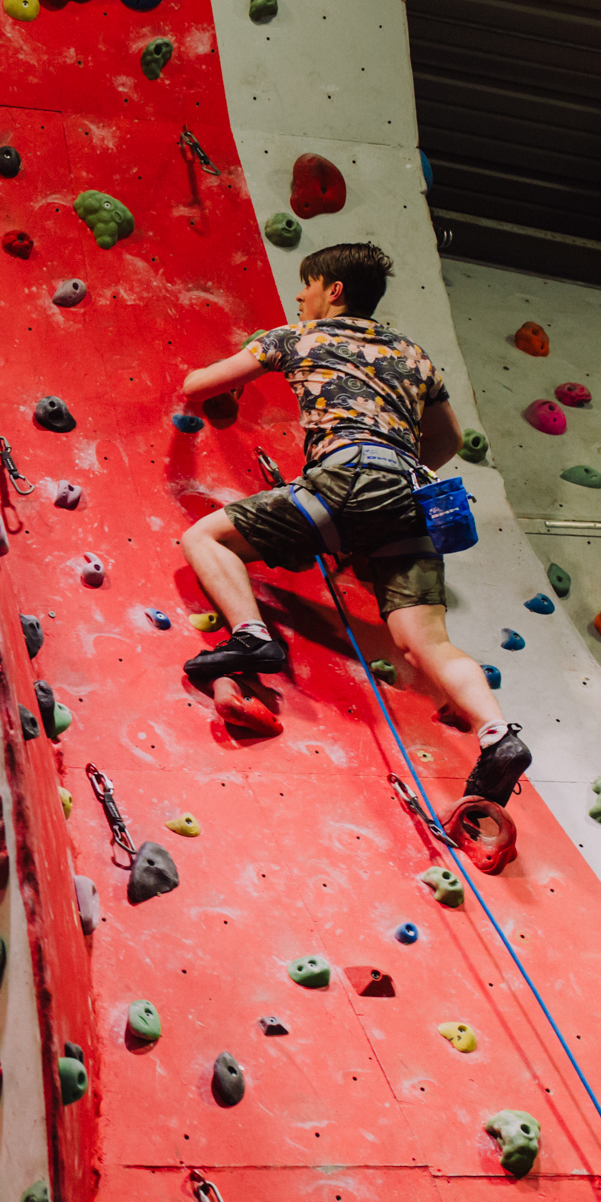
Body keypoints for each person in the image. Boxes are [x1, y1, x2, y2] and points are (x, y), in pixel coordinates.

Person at [173, 243, 528, 805]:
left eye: (306, 285)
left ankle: (252, 636)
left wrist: (232, 385)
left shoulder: (297, 336)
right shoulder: (414, 354)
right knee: (425, 643)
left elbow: (197, 385)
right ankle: (498, 736)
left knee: (206, 537)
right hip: (413, 496)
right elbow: (448, 441)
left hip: (344, 479)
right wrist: (388, 485)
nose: (299, 296)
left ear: (332, 291)